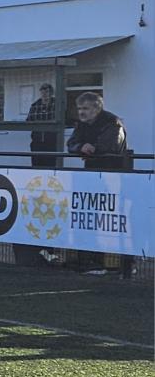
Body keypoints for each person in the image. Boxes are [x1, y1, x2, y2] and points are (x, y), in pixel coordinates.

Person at [66, 92, 132, 278]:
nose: (81, 112)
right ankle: (94, 262)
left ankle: (123, 265)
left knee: (114, 220)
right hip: (93, 176)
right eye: (79, 108)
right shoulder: (82, 124)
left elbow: (108, 148)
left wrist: (86, 148)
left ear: (97, 108)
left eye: (85, 108)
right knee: (91, 217)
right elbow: (71, 144)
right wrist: (81, 147)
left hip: (115, 177)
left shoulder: (113, 123)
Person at [27, 84, 58, 167]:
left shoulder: (57, 105)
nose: (44, 94)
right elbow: (28, 121)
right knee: (36, 166)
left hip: (51, 143)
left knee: (51, 166)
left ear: (51, 93)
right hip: (36, 143)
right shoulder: (35, 106)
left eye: (47, 91)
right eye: (42, 92)